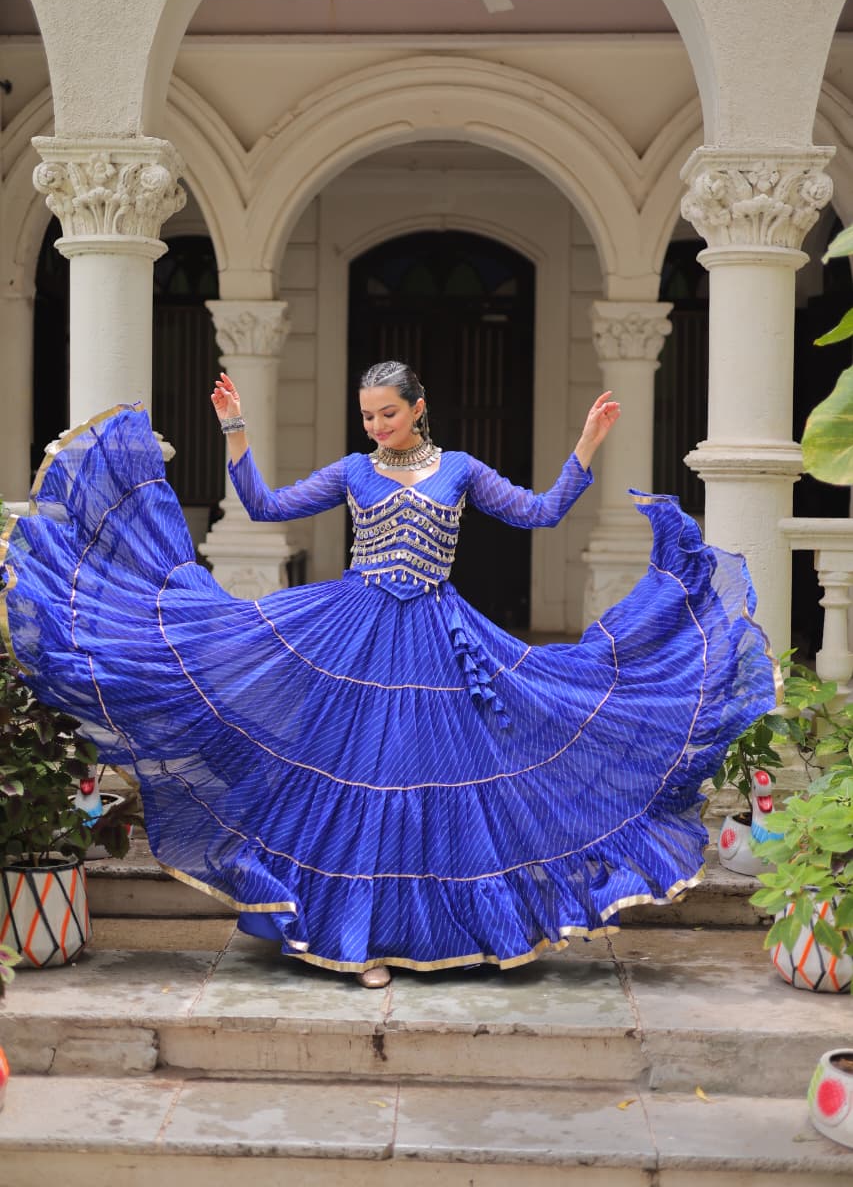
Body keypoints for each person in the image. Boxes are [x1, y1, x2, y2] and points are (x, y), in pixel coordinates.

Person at [1, 361, 778, 989]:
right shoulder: (353, 471)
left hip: (439, 639)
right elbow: (265, 506)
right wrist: (235, 429)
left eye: (387, 414)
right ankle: (352, 939)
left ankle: (445, 934)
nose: (375, 425)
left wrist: (586, 445)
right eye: (367, 415)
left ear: (417, 409)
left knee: (438, 778)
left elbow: (539, 512)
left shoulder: (459, 470)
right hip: (354, 632)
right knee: (356, 779)